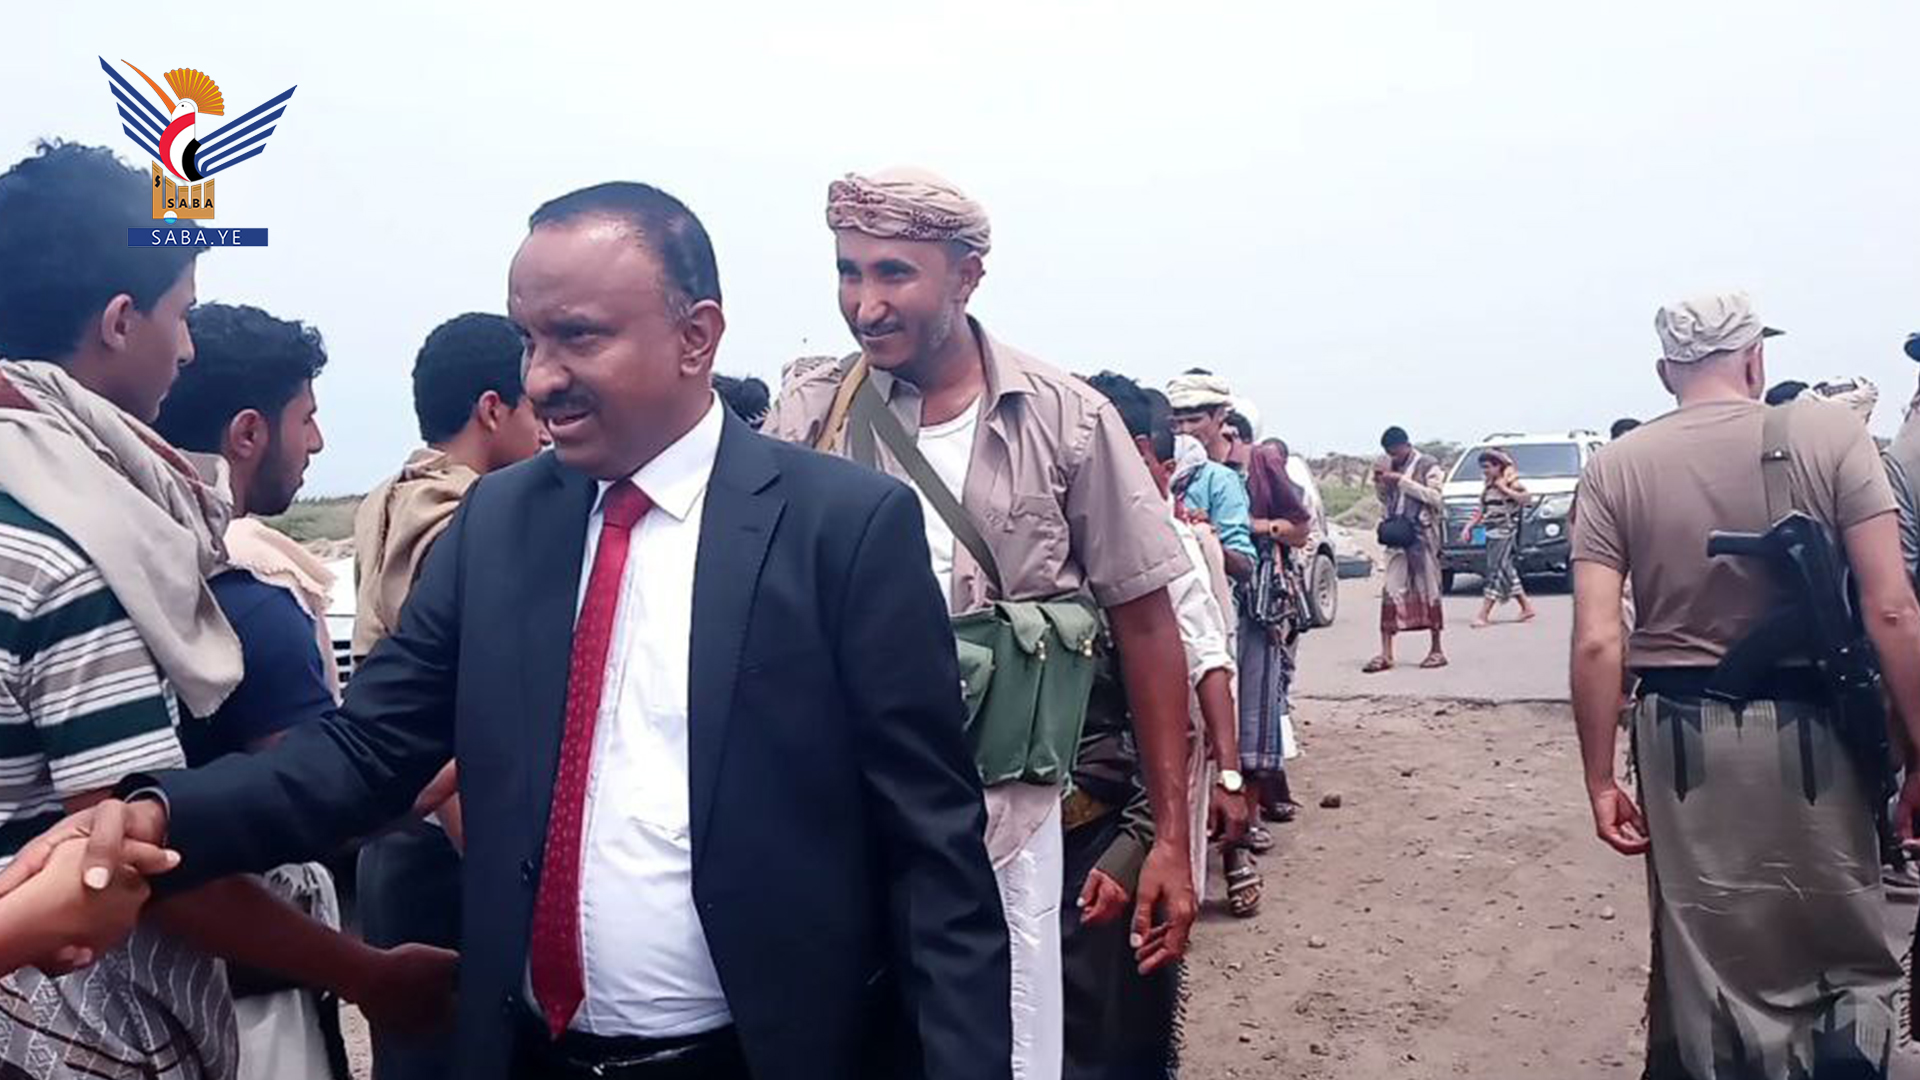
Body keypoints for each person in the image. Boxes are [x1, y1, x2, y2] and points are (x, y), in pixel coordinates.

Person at [4, 180, 1013, 1080]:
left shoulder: (839, 528)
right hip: (529, 1053)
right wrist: (158, 815)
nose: (539, 378)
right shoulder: (501, 521)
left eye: (579, 337)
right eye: (529, 340)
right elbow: (370, 751)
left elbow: (934, 854)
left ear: (696, 335)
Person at [766, 167, 1198, 1080]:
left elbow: (1152, 629)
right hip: (855, 812)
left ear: (966, 278)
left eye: (894, 274)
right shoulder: (810, 414)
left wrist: (1169, 838)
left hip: (1022, 821)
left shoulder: (1067, 420)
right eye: (849, 273)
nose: (865, 304)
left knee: (1021, 1041)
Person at [1571, 291, 1920, 1078]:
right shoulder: (1832, 434)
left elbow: (1598, 639)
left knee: (1707, 960)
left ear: (1667, 374)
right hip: (1821, 725)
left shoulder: (1615, 466)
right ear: (1757, 358)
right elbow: (1893, 608)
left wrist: (1598, 779)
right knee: (1843, 947)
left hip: (1680, 737)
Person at [154, 302, 459, 1080]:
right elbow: (314, 807)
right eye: (308, 418)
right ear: (249, 434)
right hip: (247, 1003)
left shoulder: (142, 567)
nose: (318, 441)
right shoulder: (253, 602)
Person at [0, 139, 235, 1079]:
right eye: (183, 314)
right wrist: (364, 969)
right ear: (120, 320)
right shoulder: (69, 554)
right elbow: (134, 861)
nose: (188, 346)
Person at [351, 310, 548, 1080]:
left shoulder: (386, 498)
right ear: (493, 410)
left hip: (392, 834)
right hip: (445, 837)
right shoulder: (462, 518)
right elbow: (461, 712)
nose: (546, 430)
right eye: (533, 408)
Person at [1068, 374, 1245, 1077]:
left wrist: (1227, 779)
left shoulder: (1155, 536)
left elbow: (1206, 662)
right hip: (1072, 812)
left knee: (1122, 1002)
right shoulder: (1040, 533)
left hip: (1136, 799)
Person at [1237, 441, 1312, 844]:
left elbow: (1301, 529)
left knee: (1267, 702)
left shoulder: (1268, 476)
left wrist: (1261, 527)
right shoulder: (1209, 474)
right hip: (1256, 605)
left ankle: (1261, 807)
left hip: (1269, 606)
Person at [1365, 426, 1447, 672]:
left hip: (1422, 538)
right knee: (1391, 591)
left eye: (1395, 453)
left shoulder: (1428, 465)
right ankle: (1386, 653)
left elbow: (1436, 498)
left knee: (1429, 591)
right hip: (1396, 537)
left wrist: (1401, 481)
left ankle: (1436, 649)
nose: (1394, 457)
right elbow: (1385, 500)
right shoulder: (1388, 464)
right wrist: (1382, 482)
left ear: (1405, 446)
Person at [1164, 373, 1255, 576]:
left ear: (1220, 415)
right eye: (1177, 423)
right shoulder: (1165, 465)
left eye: (1194, 420)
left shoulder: (1220, 478)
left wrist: (1203, 537)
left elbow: (1244, 564)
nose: (1185, 430)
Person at [1461, 449, 1538, 628]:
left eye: (1488, 467)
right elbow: (1481, 510)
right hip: (1492, 532)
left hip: (1505, 532)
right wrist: (1468, 527)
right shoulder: (1488, 487)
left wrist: (1504, 489)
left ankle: (1484, 614)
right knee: (1506, 570)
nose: (1485, 471)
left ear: (1498, 466)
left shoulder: (1511, 483)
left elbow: (1526, 499)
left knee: (1496, 572)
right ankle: (1526, 607)